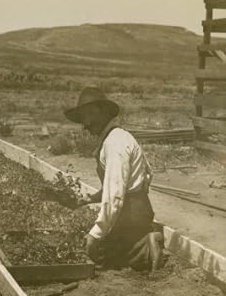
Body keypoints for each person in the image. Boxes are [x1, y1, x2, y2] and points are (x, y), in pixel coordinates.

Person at [64, 87, 164, 271]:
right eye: (83, 117)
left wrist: (95, 234)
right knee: (104, 246)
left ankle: (146, 247)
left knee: (102, 257)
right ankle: (141, 236)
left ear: (103, 113)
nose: (86, 124)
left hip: (132, 213)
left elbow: (115, 195)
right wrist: (92, 198)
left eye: (90, 115)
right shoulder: (117, 137)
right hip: (134, 210)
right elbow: (134, 180)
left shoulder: (114, 143)